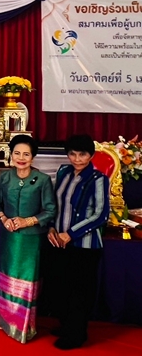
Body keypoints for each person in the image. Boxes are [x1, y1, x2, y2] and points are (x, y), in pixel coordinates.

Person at [45, 134, 110, 350]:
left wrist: (71, 234)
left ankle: (76, 335)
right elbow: (54, 204)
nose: (77, 159)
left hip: (85, 246)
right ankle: (66, 326)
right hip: (59, 243)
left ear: (91, 155)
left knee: (80, 292)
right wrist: (51, 226)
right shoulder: (63, 172)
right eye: (72, 154)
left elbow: (101, 215)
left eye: (82, 154)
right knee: (61, 287)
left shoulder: (98, 179)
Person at [0, 135, 56, 343]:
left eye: (26, 154)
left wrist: (27, 221)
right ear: (11, 155)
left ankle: (23, 327)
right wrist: (4, 219)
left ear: (33, 157)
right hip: (9, 237)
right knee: (8, 279)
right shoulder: (4, 177)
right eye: (17, 153)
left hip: (31, 240)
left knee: (26, 283)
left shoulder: (43, 180)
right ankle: (6, 322)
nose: (21, 158)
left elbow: (50, 211)